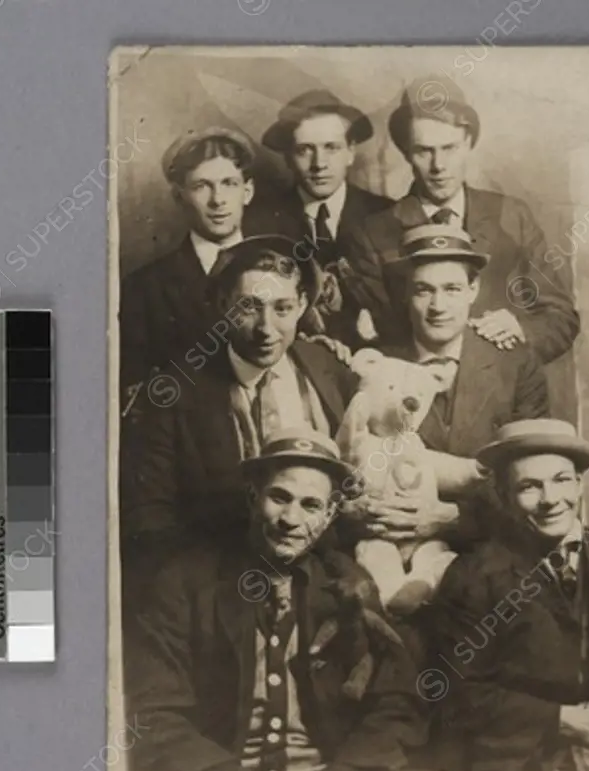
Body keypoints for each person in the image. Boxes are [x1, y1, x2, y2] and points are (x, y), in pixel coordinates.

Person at [124, 429, 430, 771]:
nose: (290, 518)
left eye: (311, 506)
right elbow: (153, 713)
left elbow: (395, 704)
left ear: (331, 514)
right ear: (253, 498)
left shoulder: (349, 584)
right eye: (279, 497)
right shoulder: (186, 583)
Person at [424, 419, 589, 771]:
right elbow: (450, 693)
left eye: (561, 480)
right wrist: (562, 721)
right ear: (503, 495)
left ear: (579, 483)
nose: (550, 500)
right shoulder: (472, 576)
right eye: (529, 486)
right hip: (518, 762)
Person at [124, 234, 356, 570]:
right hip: (219, 577)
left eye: (282, 308)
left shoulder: (327, 367)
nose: (266, 329)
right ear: (222, 304)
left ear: (302, 305)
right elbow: (149, 517)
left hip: (321, 572)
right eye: (248, 307)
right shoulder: (173, 394)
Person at [344, 78, 580, 367]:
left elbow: (561, 317)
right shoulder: (373, 232)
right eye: (424, 150)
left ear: (469, 143)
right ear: (406, 151)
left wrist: (521, 329)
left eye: (449, 148)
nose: (438, 166)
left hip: (503, 394)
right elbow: (373, 338)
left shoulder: (512, 215)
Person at [355, 223, 550, 553]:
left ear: (473, 289)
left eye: (452, 289)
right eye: (423, 290)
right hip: (391, 542)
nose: (438, 306)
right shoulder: (375, 366)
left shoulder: (516, 365)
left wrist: (455, 518)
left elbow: (532, 477)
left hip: (492, 545)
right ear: (405, 292)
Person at [118, 126, 259, 420]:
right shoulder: (144, 288)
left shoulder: (284, 270)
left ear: (248, 192)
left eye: (229, 183)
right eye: (201, 186)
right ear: (179, 196)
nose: (217, 200)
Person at [257, 89, 394, 346]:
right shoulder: (259, 224)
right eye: (305, 150)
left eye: (331, 148)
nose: (319, 163)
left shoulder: (388, 215)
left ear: (351, 152)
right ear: (287, 157)